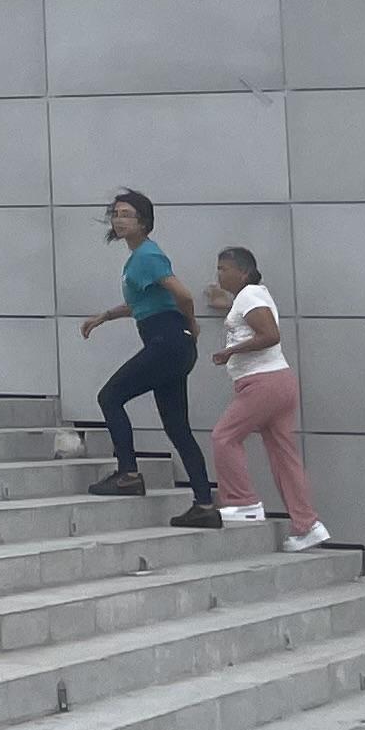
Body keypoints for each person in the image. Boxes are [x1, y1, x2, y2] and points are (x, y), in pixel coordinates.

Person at [74, 188, 219, 528]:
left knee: (110, 397)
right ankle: (204, 505)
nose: (119, 220)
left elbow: (183, 295)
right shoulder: (139, 258)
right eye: (116, 214)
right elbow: (142, 304)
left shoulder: (147, 256)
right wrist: (104, 316)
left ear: (144, 222)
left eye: (127, 214)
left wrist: (192, 324)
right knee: (177, 428)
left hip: (167, 342)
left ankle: (128, 473)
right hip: (171, 344)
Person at [207, 244, 332, 551]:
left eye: (224, 269)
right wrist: (223, 303)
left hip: (262, 383)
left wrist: (229, 351)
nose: (219, 274)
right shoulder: (251, 296)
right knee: (283, 457)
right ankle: (307, 525)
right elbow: (249, 320)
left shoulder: (250, 295)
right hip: (278, 382)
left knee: (224, 437)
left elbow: (270, 335)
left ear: (243, 272)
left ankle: (243, 503)